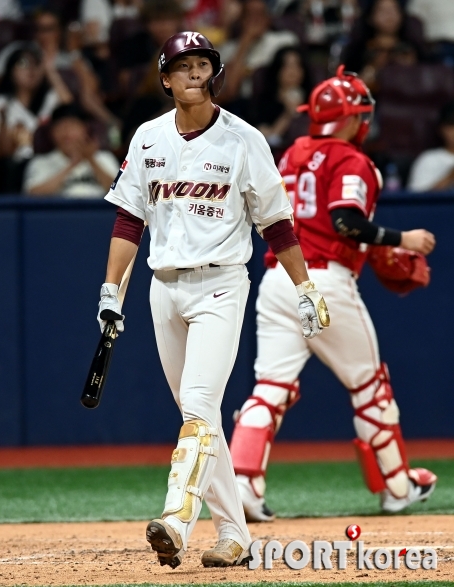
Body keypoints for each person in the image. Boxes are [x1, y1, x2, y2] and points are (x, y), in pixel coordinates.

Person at [97, 31, 329, 568]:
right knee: (197, 416)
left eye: (203, 63)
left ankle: (177, 521)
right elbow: (130, 220)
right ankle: (235, 534)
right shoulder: (148, 138)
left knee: (199, 407)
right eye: (184, 65)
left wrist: (304, 286)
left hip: (222, 283)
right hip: (163, 287)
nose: (195, 72)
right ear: (166, 79)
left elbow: (276, 222)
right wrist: (111, 289)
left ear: (213, 74)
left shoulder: (243, 139)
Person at [228, 65, 438, 523]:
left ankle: (243, 486)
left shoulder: (292, 153)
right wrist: (403, 240)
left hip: (278, 278)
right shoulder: (351, 159)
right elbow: (346, 220)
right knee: (369, 386)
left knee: (270, 388)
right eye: (362, 114)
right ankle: (398, 487)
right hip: (324, 280)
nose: (366, 122)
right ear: (350, 118)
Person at [0, 46, 73, 193]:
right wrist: (3, 124)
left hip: (46, 161)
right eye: (24, 64)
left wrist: (50, 71)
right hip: (12, 165)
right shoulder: (1, 103)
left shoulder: (50, 98)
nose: (31, 70)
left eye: (36, 64)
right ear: (11, 71)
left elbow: (69, 107)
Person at [23, 104, 119, 197]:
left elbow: (120, 193)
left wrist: (91, 160)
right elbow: (32, 195)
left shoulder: (105, 157)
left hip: (99, 211)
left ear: (85, 129)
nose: (67, 133)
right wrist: (72, 165)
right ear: (51, 133)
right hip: (60, 211)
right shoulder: (40, 162)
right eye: (61, 127)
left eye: (72, 126)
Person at [250, 45, 313, 149]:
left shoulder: (312, 100)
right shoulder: (263, 103)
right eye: (287, 66)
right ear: (277, 70)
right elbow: (269, 140)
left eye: (297, 66)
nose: (293, 71)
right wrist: (289, 113)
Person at [407, 101, 454, 192]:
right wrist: (450, 177)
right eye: (452, 125)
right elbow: (414, 201)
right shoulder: (429, 160)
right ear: (442, 129)